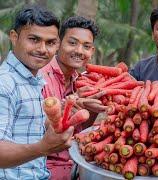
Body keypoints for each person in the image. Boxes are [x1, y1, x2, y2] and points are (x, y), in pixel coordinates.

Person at [0, 5, 74, 179]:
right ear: (14, 37)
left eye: (50, 42)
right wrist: (42, 148)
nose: (42, 49)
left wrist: (59, 119)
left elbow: (26, 127)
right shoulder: (5, 83)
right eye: (34, 39)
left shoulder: (34, 80)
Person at [39, 16, 106, 180]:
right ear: (58, 43)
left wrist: (94, 108)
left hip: (75, 166)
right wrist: (69, 103)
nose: (79, 51)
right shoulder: (40, 77)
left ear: (92, 51)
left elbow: (80, 130)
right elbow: (35, 131)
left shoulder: (81, 82)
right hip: (43, 170)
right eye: (73, 43)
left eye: (86, 46)